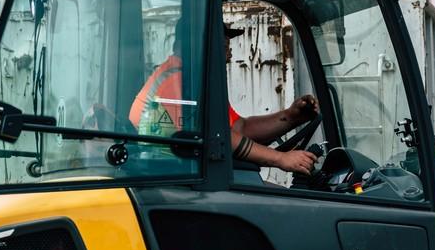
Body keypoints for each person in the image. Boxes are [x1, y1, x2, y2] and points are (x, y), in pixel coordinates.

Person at [128, 20, 319, 175]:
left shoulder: (193, 78)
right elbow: (222, 137)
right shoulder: (179, 81)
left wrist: (291, 117)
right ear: (193, 45)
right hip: (172, 179)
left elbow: (238, 129)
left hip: (187, 173)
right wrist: (280, 159)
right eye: (223, 46)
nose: (228, 55)